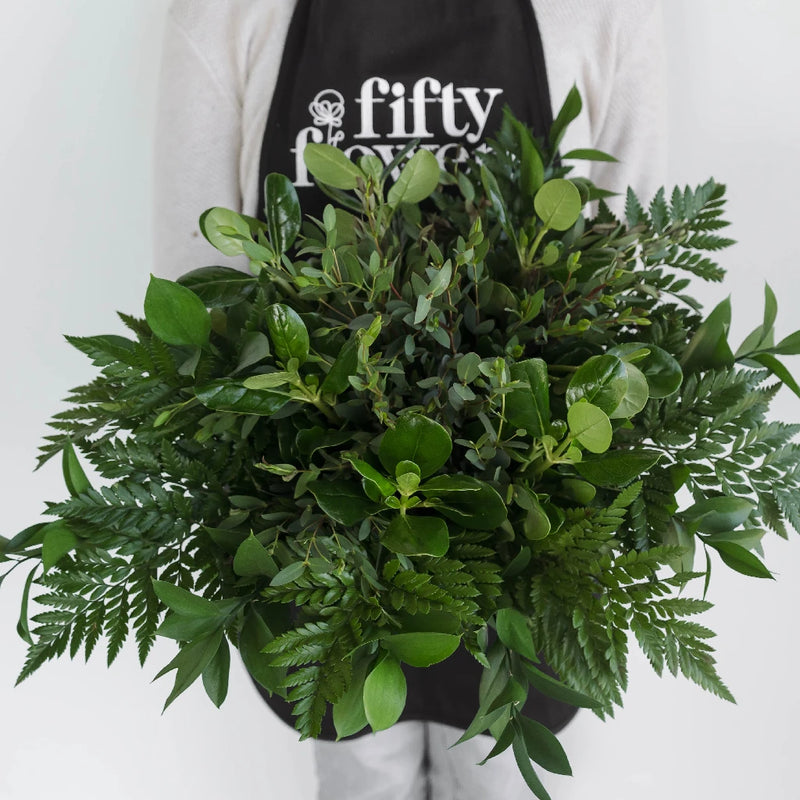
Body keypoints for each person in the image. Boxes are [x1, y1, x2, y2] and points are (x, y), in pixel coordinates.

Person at [153, 2, 666, 797]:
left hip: (525, 543)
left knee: (500, 777)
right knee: (362, 776)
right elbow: (197, 300)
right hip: (320, 539)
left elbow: (630, 285)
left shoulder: (606, 12)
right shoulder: (228, 12)